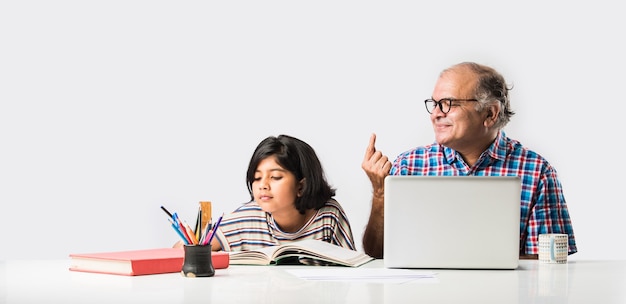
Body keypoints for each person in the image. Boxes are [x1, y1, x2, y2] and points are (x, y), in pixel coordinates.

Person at [361, 61, 577, 259]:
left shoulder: (537, 172)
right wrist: (380, 193)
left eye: (448, 103)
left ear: (490, 114)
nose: (435, 113)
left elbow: (547, 264)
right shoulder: (409, 165)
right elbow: (377, 253)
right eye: (434, 103)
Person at [207, 134, 356, 253]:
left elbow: (352, 268)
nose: (263, 186)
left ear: (301, 186)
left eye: (275, 177)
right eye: (257, 178)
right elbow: (191, 249)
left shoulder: (328, 216)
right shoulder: (245, 218)